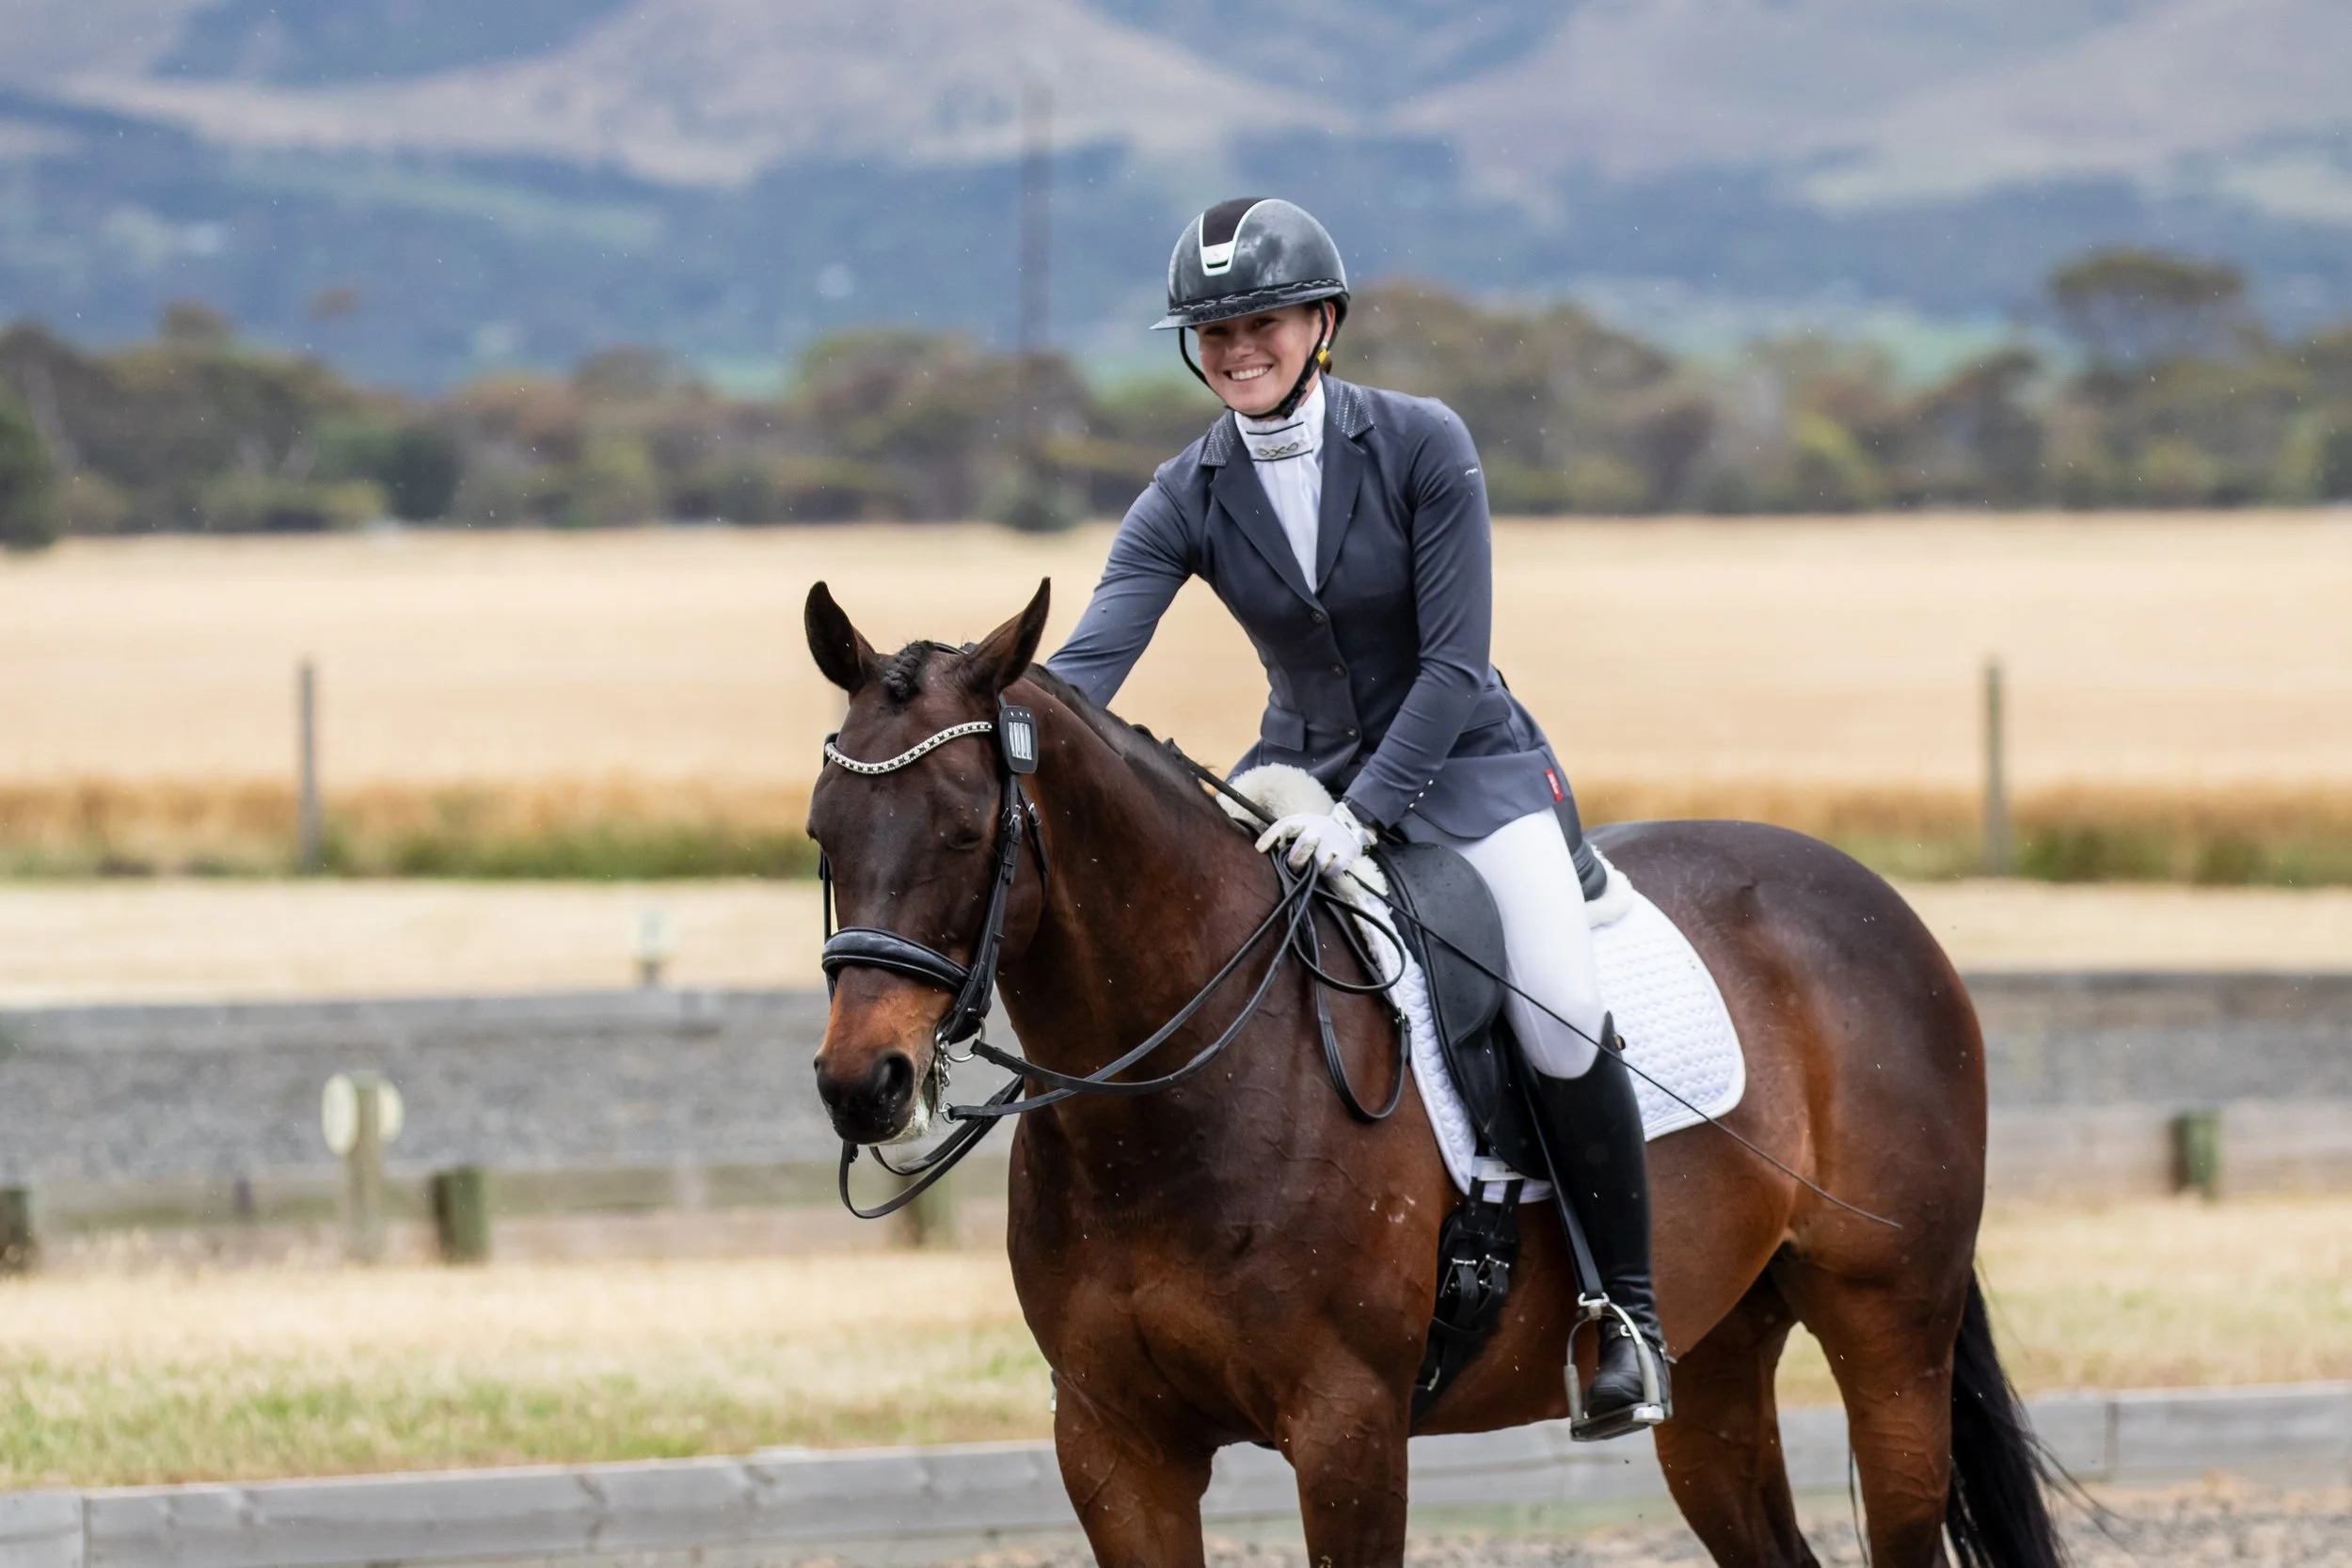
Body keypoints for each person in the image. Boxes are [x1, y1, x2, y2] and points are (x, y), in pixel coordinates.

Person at [1044, 197, 1668, 1438]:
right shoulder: (1187, 492)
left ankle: (1626, 1315)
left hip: (1467, 768)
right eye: (1211, 332)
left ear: (1320, 322)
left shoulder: (1424, 443)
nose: (1236, 350)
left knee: (1553, 999)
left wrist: (1366, 811)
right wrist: (987, 723)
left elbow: (1452, 664)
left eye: (1260, 321)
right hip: (1296, 776)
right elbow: (1087, 668)